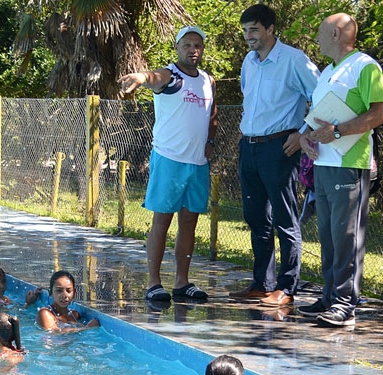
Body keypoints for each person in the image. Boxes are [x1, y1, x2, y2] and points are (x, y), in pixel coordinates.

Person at [297, 13, 383, 327]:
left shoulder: (365, 67)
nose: (317, 39)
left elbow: (378, 114)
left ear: (337, 33)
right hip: (323, 164)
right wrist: (307, 139)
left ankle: (346, 304)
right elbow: (320, 119)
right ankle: (328, 297)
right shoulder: (327, 72)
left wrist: (337, 132)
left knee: (347, 236)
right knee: (329, 235)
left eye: (321, 32)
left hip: (350, 165)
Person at [118, 26, 218, 302]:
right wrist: (140, 77)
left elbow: (211, 114)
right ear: (177, 48)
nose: (193, 50)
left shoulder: (208, 81)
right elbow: (153, 77)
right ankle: (153, 283)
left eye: (197, 45)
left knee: (189, 221)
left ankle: (182, 282)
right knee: (162, 221)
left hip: (197, 163)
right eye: (187, 45)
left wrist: (210, 142)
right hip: (169, 160)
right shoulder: (171, 76)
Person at [228, 5, 320, 307]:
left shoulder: (294, 60)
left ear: (269, 29)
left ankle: (286, 287)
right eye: (245, 31)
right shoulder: (249, 62)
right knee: (256, 218)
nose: (248, 36)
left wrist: (302, 131)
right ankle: (262, 283)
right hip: (250, 147)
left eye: (253, 29)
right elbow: (249, 99)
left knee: (284, 218)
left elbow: (321, 97)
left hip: (281, 148)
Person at [36, 270, 100, 333]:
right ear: (50, 292)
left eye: (68, 291)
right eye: (59, 291)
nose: (64, 295)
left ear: (74, 293)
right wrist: (87, 328)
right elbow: (54, 332)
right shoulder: (45, 313)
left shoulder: (74, 315)